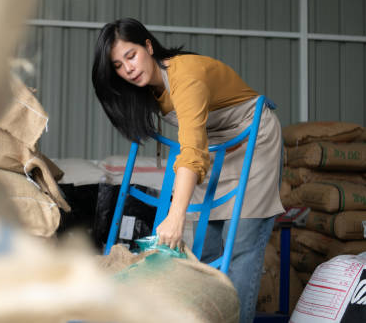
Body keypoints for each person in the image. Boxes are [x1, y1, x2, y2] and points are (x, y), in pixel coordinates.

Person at [92, 17, 285, 323]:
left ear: (148, 46)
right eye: (118, 65)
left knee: (241, 246)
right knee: (203, 250)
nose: (128, 69)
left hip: (252, 143)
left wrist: (176, 213)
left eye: (131, 56)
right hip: (213, 149)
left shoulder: (186, 76)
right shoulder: (148, 91)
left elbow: (191, 147)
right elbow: (195, 143)